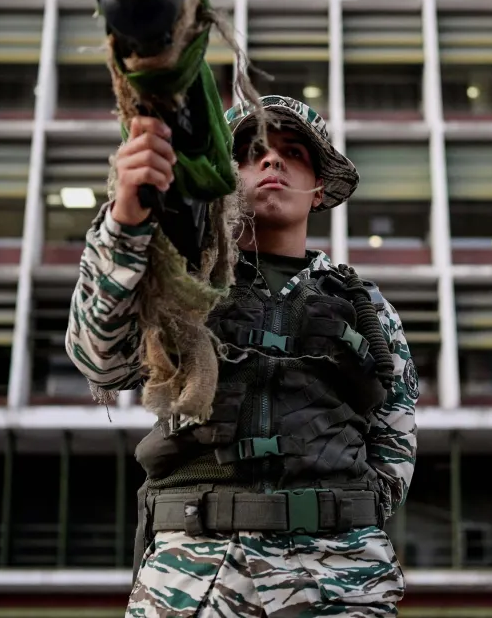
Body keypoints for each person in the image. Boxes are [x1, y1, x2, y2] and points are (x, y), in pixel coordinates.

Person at [67, 94, 418, 617]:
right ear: (221, 179)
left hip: (340, 580)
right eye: (250, 153)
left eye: (293, 152)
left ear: (319, 187)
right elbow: (99, 359)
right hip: (193, 576)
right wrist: (125, 219)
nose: (271, 161)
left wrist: (340, 519)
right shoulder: (179, 285)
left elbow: (395, 434)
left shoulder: (364, 306)